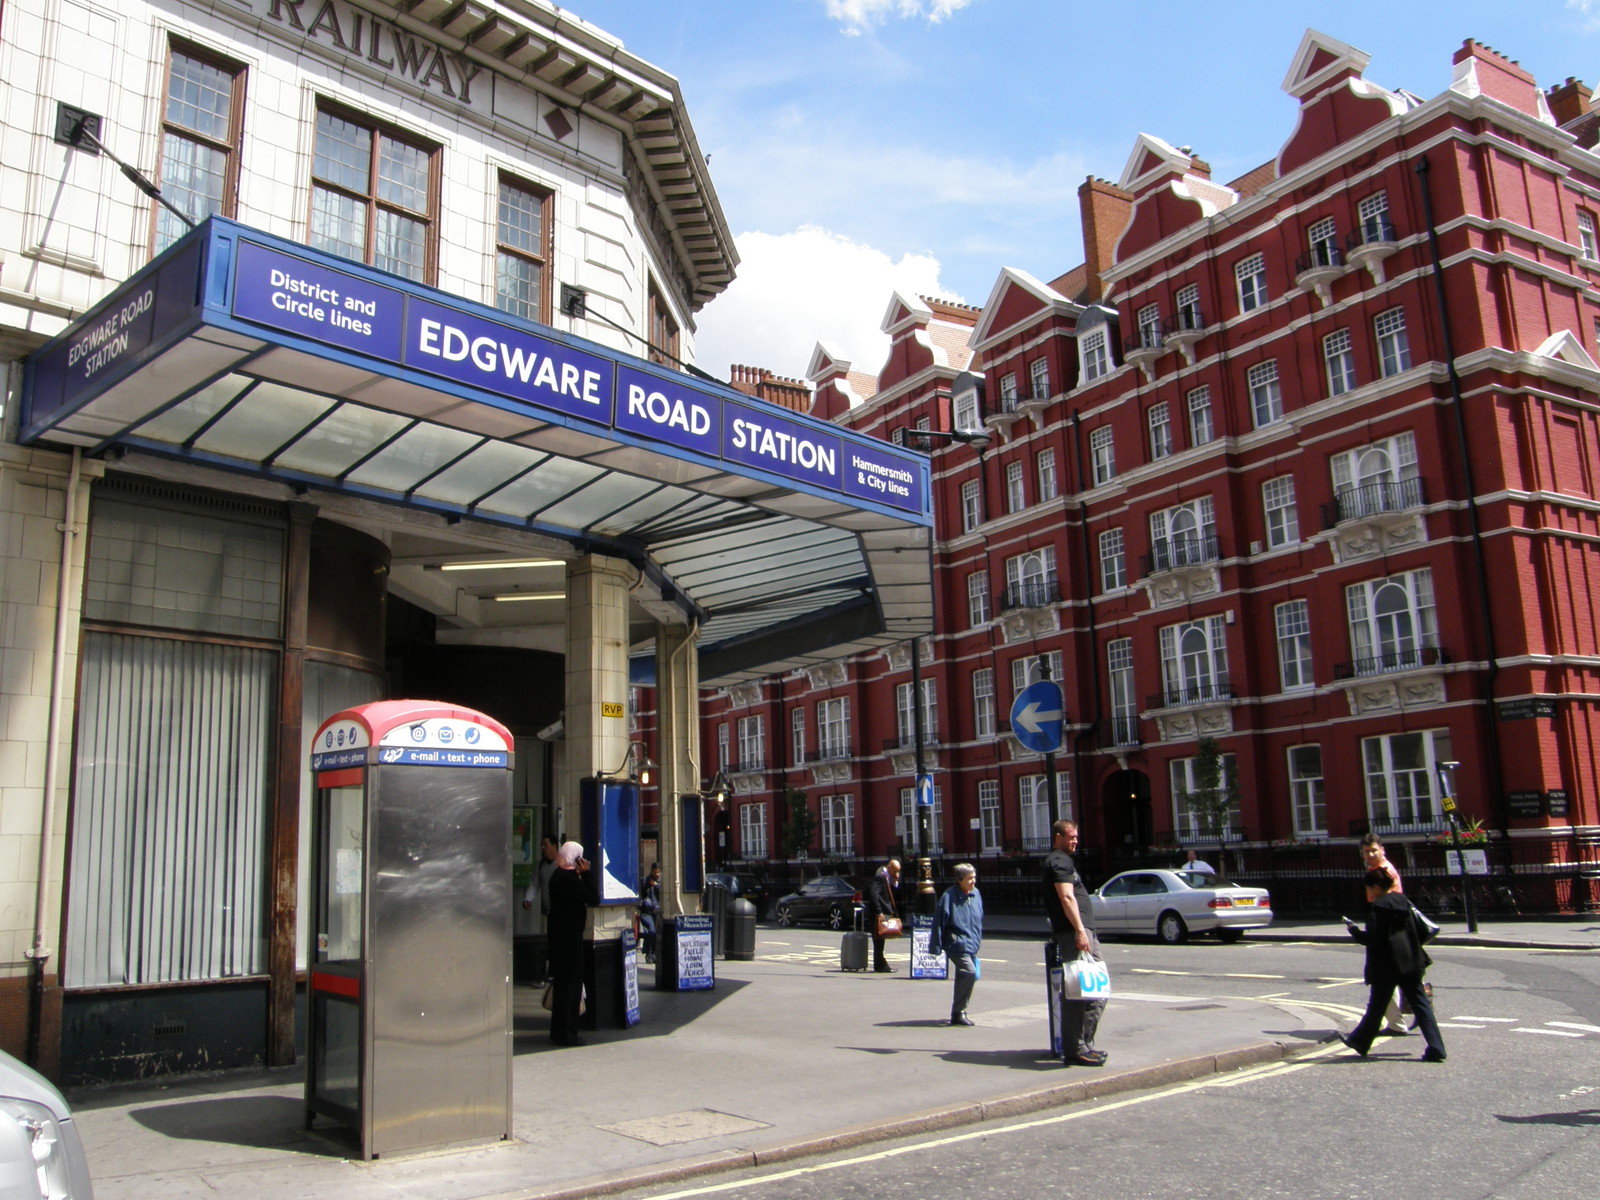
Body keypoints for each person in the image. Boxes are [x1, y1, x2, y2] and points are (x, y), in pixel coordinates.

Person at [1339, 867, 1447, 1063]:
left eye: (1369, 888)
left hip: (1387, 965)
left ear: (1376, 887)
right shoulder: (1403, 901)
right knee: (1421, 1006)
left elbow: (1373, 938)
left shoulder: (1376, 908)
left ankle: (1360, 1041)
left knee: (1377, 1006)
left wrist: (1354, 930)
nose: (1368, 892)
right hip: (1412, 961)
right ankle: (1437, 1047)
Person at [1042, 820, 1108, 1066]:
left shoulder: (1064, 861)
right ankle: (1076, 1048)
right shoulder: (1059, 861)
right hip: (1075, 934)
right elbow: (1066, 896)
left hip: (1080, 933)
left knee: (1095, 990)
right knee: (1080, 992)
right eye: (1071, 836)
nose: (1075, 841)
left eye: (1077, 837)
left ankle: (1084, 1044)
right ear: (1058, 837)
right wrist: (1080, 931)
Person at [1359, 832, 1411, 1035]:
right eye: (1366, 851)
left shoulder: (1383, 871)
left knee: (1383, 978)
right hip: (1386, 927)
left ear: (1382, 850)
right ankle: (1395, 1023)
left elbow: (1386, 901)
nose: (1370, 854)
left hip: (1386, 929)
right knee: (1392, 979)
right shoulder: (1375, 869)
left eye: (1373, 850)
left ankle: (1394, 1024)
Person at [546, 840, 596, 1047]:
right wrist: (586, 874)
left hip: (558, 940)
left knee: (562, 989)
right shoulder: (569, 878)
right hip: (570, 942)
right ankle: (568, 1033)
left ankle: (559, 1031)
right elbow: (592, 897)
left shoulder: (556, 876)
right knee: (571, 988)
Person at [928, 863, 983, 1026]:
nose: (973, 881)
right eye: (970, 878)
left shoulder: (976, 894)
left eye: (974, 877)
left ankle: (957, 1013)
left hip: (971, 942)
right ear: (960, 880)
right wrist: (935, 946)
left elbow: (979, 918)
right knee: (969, 972)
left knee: (964, 976)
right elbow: (939, 922)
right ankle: (960, 1011)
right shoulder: (949, 896)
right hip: (956, 944)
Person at [522, 834, 560, 983]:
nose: (543, 848)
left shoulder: (562, 863)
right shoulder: (541, 866)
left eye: (546, 845)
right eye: (542, 845)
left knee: (559, 943)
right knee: (551, 942)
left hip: (562, 912)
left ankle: (555, 972)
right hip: (549, 911)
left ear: (554, 845)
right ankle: (549, 973)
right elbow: (534, 884)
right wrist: (527, 899)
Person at [867, 857, 902, 973]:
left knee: (880, 939)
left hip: (882, 911)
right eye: (895, 871)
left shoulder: (886, 876)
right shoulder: (880, 876)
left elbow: (889, 894)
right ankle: (881, 965)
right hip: (877, 913)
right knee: (878, 940)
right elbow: (874, 894)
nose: (896, 874)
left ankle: (880, 965)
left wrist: (895, 882)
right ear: (890, 867)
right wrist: (878, 912)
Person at [638, 863, 661, 963]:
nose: (657, 874)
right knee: (651, 930)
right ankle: (649, 953)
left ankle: (653, 953)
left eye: (658, 872)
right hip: (646, 911)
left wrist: (656, 885)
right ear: (652, 871)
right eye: (655, 872)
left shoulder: (660, 882)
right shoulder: (646, 881)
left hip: (657, 911)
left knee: (655, 933)